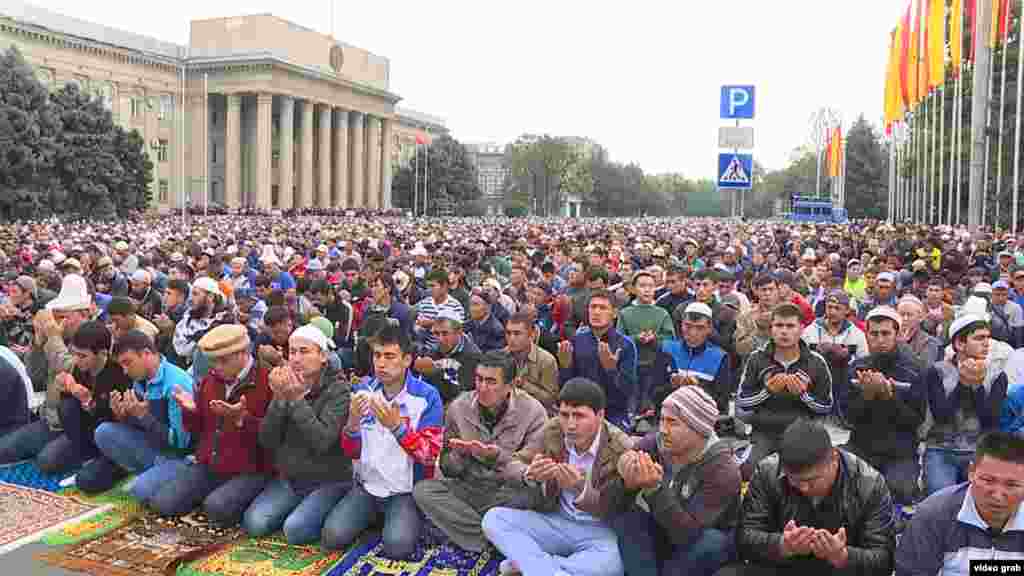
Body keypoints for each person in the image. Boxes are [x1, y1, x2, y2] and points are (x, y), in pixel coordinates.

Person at [482, 378, 632, 576]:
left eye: (579, 416)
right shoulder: (553, 429)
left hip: (598, 529)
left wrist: (580, 488)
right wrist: (529, 473)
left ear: (600, 415)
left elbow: (620, 505)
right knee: (493, 519)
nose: (570, 425)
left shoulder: (620, 446)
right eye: (564, 415)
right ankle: (550, 570)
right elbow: (512, 464)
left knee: (614, 563)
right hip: (556, 519)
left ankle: (531, 565)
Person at [715, 419, 896, 576]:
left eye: (812, 480)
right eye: (794, 480)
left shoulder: (869, 484)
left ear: (834, 458)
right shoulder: (768, 471)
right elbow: (744, 537)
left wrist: (843, 556)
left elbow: (884, 560)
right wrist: (782, 545)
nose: (804, 487)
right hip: (782, 567)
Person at [324, 324, 443, 558]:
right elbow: (351, 452)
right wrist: (353, 422)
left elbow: (429, 455)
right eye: (377, 355)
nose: (381, 363)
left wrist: (397, 428)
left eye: (389, 356)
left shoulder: (427, 396)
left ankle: (398, 519)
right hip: (367, 487)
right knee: (332, 537)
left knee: (397, 547)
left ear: (407, 360)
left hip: (404, 491)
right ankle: (379, 517)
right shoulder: (364, 390)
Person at [413, 350, 547, 553]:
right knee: (423, 491)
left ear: (510, 385)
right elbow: (448, 468)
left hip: (506, 490)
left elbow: (529, 471)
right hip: (471, 485)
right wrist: (458, 456)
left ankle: (472, 529)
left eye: (491, 382)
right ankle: (489, 536)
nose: (482, 388)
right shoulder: (459, 407)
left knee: (532, 496)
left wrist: (495, 457)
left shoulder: (533, 412)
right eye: (479, 379)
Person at [144, 325, 272, 524]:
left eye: (223, 361)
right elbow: (197, 430)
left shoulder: (267, 381)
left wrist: (242, 419)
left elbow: (274, 437)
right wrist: (190, 410)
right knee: (163, 504)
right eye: (214, 361)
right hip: (211, 465)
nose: (217, 367)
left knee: (216, 508)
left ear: (243, 353)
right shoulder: (211, 381)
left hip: (251, 469)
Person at [613, 386, 741, 576]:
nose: (663, 430)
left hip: (699, 540)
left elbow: (687, 535)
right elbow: (609, 506)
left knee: (711, 541)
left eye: (672, 422)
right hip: (665, 527)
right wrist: (626, 481)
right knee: (628, 519)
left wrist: (654, 489)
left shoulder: (723, 470)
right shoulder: (656, 443)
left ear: (698, 428)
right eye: (662, 420)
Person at [244, 324, 352, 544]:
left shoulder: (338, 390)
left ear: (323, 356)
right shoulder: (286, 384)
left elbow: (322, 441)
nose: (296, 359)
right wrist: (279, 399)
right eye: (292, 352)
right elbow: (267, 439)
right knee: (255, 523)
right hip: (290, 478)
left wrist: (295, 399)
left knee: (295, 530)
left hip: (327, 480)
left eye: (304, 351)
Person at [77, 329, 194, 495]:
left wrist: (143, 417)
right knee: (103, 431)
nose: (125, 371)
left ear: (146, 354)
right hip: (155, 449)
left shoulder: (176, 384)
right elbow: (141, 426)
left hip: (179, 457)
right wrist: (123, 415)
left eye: (128, 363)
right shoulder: (140, 380)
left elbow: (181, 444)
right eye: (122, 365)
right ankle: (149, 473)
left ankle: (155, 476)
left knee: (141, 490)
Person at [895, 432, 1024, 575]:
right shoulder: (934, 515)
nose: (998, 496)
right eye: (988, 480)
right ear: (971, 472)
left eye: (1011, 485)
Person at [0, 274, 93, 467]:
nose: (59, 323)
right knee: (4, 450)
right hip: (51, 421)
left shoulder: (95, 337)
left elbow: (71, 369)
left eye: (64, 317)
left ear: (84, 314)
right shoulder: (58, 338)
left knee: (47, 461)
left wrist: (53, 337)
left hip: (81, 425)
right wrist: (38, 343)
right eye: (57, 317)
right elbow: (34, 376)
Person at [735, 303, 833, 477]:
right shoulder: (756, 358)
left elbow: (826, 407)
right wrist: (767, 391)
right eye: (779, 325)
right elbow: (742, 402)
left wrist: (803, 395)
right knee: (749, 470)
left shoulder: (816, 362)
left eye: (790, 326)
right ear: (771, 329)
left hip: (803, 433)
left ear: (801, 329)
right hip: (765, 432)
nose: (784, 331)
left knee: (806, 474)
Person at [846, 306, 926, 506]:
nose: (880, 339)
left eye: (885, 333)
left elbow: (916, 420)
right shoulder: (857, 368)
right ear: (866, 335)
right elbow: (847, 417)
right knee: (851, 491)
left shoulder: (914, 370)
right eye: (874, 334)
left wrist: (889, 398)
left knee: (900, 492)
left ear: (897, 335)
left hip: (900, 450)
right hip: (862, 446)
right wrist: (867, 396)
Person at [923, 314, 1009, 495]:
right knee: (941, 500)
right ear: (959, 344)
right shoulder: (938, 371)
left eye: (987, 338)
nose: (986, 343)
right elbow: (942, 416)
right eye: (979, 338)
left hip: (979, 452)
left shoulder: (997, 375)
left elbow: (990, 420)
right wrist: (963, 383)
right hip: (941, 450)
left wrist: (976, 385)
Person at [40, 321, 130, 476]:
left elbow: (114, 419)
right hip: (83, 434)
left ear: (102, 353)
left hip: (109, 436)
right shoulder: (80, 368)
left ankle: (102, 462)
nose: (76, 360)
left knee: (87, 479)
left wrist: (90, 402)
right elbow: (68, 408)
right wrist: (64, 388)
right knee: (46, 461)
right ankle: (86, 456)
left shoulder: (118, 373)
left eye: (82, 356)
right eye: (74, 353)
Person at [557, 289, 638, 430]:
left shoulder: (625, 345)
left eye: (603, 308)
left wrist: (611, 370)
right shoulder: (577, 340)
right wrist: (565, 366)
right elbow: (566, 389)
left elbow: (626, 394)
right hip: (579, 410)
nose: (596, 312)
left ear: (614, 313)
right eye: (593, 307)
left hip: (612, 414)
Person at [653, 302, 732, 417]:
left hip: (701, 419)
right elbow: (653, 395)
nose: (693, 332)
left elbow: (722, 403)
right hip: (669, 417)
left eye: (700, 328)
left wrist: (698, 388)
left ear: (709, 328)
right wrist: (672, 386)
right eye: (688, 326)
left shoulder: (720, 356)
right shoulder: (666, 349)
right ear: (681, 325)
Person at [413, 308, 481, 404]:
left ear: (459, 332)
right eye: (436, 333)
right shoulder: (434, 350)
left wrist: (435, 370)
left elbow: (461, 395)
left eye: (445, 333)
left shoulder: (472, 356)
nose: (440, 339)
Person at [504, 311, 560, 414]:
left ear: (532, 335)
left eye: (517, 333)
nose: (511, 338)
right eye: (508, 333)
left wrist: (523, 385)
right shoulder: (501, 356)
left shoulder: (546, 361)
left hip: (538, 414)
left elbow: (550, 399)